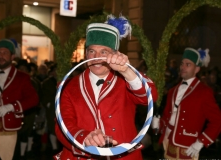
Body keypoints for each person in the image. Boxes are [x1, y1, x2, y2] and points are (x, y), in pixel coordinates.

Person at [54, 14, 158, 160]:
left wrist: (127, 70)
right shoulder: (69, 87)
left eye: (104, 52)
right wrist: (85, 139)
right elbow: (62, 126)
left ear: (115, 55)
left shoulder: (126, 80)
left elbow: (151, 96)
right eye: (92, 51)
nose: (97, 57)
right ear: (86, 54)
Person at [152, 48, 221, 160]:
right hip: (168, 145)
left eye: (188, 64)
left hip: (188, 148)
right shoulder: (172, 90)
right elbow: (168, 116)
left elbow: (217, 121)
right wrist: (158, 124)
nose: (183, 67)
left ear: (197, 69)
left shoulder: (204, 92)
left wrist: (201, 141)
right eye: (182, 64)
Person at [0, 39, 39, 160]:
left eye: (5, 53)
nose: (1, 56)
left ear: (12, 56)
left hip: (7, 129)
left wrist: (12, 106)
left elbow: (34, 99)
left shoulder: (22, 77)